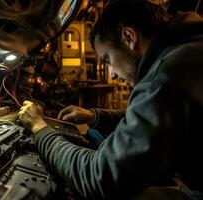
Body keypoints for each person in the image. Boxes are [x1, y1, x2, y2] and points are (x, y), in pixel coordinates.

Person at [18, 0, 203, 199]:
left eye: (107, 60)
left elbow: (99, 179)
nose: (112, 74)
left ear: (129, 37)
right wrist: (94, 116)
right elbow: (153, 118)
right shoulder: (188, 48)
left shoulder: (165, 75)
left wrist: (40, 129)